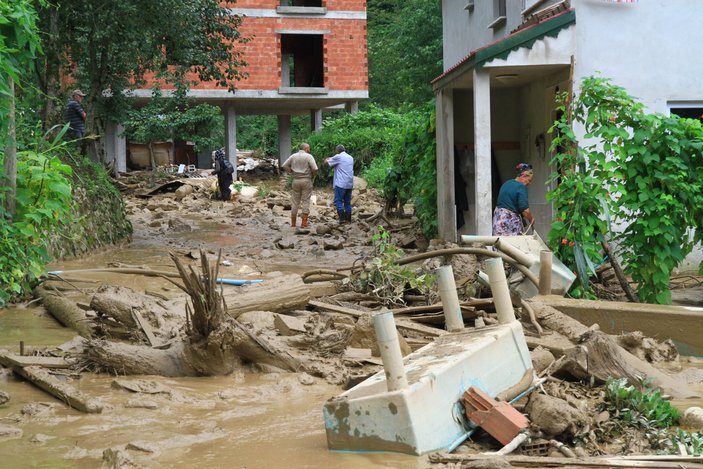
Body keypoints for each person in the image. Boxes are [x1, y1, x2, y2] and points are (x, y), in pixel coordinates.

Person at [281, 143, 318, 229]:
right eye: (308, 148)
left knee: (295, 202)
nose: (309, 149)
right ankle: (304, 223)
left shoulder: (293, 156)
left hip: (295, 180)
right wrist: (313, 175)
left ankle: (293, 223)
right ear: (305, 148)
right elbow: (315, 168)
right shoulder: (309, 156)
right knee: (305, 201)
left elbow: (284, 165)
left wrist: (290, 171)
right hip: (306, 180)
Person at [492, 163, 534, 236]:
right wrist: (531, 219)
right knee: (514, 245)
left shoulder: (507, 183)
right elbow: (525, 210)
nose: (529, 183)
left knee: (500, 244)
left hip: (498, 219)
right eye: (529, 180)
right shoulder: (520, 187)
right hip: (509, 222)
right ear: (523, 176)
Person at [325, 144, 354, 224]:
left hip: (341, 183)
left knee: (337, 201)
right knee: (347, 202)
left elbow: (326, 163)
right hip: (349, 183)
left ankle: (342, 218)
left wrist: (327, 159)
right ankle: (349, 219)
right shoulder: (350, 157)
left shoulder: (338, 156)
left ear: (337, 151)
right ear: (344, 149)